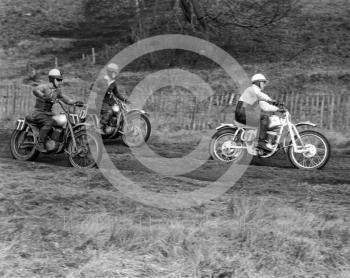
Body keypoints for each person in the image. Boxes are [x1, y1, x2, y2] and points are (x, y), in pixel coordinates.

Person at [31, 69, 84, 153]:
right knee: (49, 122)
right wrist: (44, 96)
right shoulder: (45, 87)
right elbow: (35, 90)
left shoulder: (57, 91)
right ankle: (40, 143)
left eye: (61, 80)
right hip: (39, 112)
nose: (60, 82)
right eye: (58, 79)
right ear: (52, 79)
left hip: (48, 113)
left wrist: (75, 102)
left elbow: (64, 98)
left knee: (59, 121)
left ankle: (55, 141)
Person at [235, 73, 284, 150]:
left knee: (266, 120)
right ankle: (260, 142)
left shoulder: (256, 94)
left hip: (245, 113)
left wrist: (278, 109)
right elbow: (260, 95)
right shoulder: (252, 89)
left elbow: (265, 106)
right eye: (263, 82)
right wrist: (271, 100)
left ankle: (266, 142)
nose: (264, 85)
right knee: (264, 117)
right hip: (242, 113)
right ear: (259, 82)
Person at [100, 63, 129, 134]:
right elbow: (93, 87)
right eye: (114, 73)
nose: (115, 74)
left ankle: (115, 129)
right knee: (109, 111)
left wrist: (124, 100)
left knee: (119, 111)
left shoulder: (113, 82)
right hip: (101, 102)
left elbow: (117, 93)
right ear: (109, 72)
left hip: (110, 102)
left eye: (116, 73)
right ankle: (100, 127)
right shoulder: (102, 80)